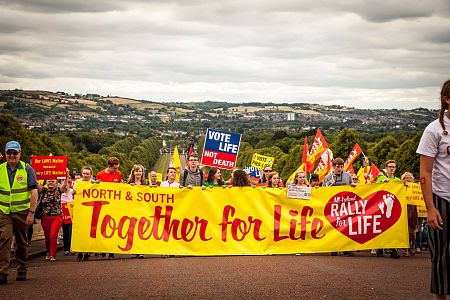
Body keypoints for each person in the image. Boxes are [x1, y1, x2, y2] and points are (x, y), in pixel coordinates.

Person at [417, 79, 450, 299]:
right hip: (441, 198)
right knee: (442, 258)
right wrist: (430, 208)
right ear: (447, 100)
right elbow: (425, 174)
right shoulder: (434, 129)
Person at [0, 141, 38, 284]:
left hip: (22, 212)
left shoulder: (27, 169)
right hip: (4, 212)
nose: (12, 155)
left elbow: (34, 192)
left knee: (22, 242)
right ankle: (2, 272)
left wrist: (31, 213)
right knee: (5, 238)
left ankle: (22, 268)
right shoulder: (0, 169)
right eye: (9, 153)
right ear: (5, 154)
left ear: (20, 154)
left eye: (15, 153)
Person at [324, 158, 355, 257]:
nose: (340, 168)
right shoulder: (328, 177)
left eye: (341, 166)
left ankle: (347, 249)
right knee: (334, 227)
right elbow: (323, 190)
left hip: (345, 206)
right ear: (334, 166)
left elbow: (352, 187)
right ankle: (334, 248)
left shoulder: (348, 175)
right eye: (338, 166)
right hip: (333, 207)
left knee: (346, 226)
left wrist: (354, 186)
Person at [96, 157, 122, 259]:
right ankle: (102, 248)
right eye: (114, 168)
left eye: (117, 168)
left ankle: (111, 251)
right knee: (101, 227)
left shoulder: (118, 174)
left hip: (113, 205)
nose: (116, 170)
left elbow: (120, 188)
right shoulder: (100, 174)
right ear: (109, 166)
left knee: (112, 227)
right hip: (103, 205)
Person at [375, 160, 401, 259]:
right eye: (390, 166)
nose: (391, 168)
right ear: (386, 167)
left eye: (393, 167)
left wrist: (406, 186)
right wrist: (382, 183)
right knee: (381, 228)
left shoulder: (398, 180)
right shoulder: (381, 178)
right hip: (381, 207)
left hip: (393, 207)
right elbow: (373, 189)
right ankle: (380, 248)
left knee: (393, 229)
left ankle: (394, 250)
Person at [39, 175, 69, 262]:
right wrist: (36, 173)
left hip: (57, 216)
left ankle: (52, 254)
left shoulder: (59, 190)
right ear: (46, 182)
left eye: (52, 181)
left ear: (56, 182)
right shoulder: (43, 190)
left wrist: (66, 175)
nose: (51, 182)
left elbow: (64, 185)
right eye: (49, 181)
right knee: (47, 237)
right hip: (45, 217)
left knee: (53, 235)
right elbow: (36, 184)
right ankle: (48, 252)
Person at [74, 166, 94, 262]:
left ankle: (87, 252)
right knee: (80, 231)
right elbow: (74, 192)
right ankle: (79, 252)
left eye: (87, 174)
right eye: (84, 173)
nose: (85, 175)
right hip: (80, 210)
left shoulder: (93, 183)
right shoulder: (77, 183)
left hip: (90, 210)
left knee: (88, 231)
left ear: (91, 175)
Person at [127, 164, 146, 259]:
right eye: (136, 171)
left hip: (142, 210)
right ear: (133, 172)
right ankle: (134, 249)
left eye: (140, 171)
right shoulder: (128, 183)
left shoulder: (145, 184)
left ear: (142, 173)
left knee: (141, 230)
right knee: (132, 230)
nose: (138, 173)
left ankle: (141, 250)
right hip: (132, 210)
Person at [401, 172, 418, 257]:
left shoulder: (416, 188)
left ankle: (413, 245)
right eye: (405, 178)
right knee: (405, 231)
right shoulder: (401, 188)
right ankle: (406, 249)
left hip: (413, 210)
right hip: (404, 210)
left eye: (409, 177)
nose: (407, 179)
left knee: (412, 232)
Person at [61, 174, 74, 256]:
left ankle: (72, 248)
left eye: (68, 183)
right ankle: (66, 249)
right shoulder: (60, 192)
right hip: (63, 215)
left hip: (71, 215)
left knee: (71, 232)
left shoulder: (73, 191)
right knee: (65, 232)